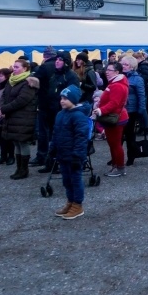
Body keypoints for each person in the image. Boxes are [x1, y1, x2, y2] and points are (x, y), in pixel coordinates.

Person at [49, 85, 91, 220]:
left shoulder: (78, 116)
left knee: (75, 180)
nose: (62, 101)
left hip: (74, 156)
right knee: (66, 180)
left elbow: (81, 137)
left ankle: (77, 205)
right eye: (61, 98)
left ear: (73, 100)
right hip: (63, 154)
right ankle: (70, 201)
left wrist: (77, 156)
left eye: (65, 99)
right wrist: (52, 149)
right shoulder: (60, 114)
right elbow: (55, 133)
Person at [1, 59, 40, 180]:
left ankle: (24, 169)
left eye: (17, 67)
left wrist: (4, 109)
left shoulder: (29, 82)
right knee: (16, 142)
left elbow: (22, 100)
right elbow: (4, 96)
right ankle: (19, 168)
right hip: (12, 116)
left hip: (24, 117)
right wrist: (3, 108)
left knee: (22, 142)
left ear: (25, 68)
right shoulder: (11, 81)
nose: (14, 69)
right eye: (14, 66)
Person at [95, 61, 129, 177]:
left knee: (115, 144)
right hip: (114, 117)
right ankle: (116, 166)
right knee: (113, 143)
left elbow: (114, 103)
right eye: (107, 70)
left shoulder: (117, 85)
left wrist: (101, 110)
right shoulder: (115, 83)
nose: (107, 72)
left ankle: (120, 168)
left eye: (110, 70)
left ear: (117, 72)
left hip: (115, 118)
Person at [120, 55, 148, 166]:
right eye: (122, 64)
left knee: (130, 135)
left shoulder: (137, 79)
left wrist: (141, 111)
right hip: (120, 109)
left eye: (126, 64)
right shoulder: (119, 77)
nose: (123, 66)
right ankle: (117, 157)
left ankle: (131, 157)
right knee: (119, 135)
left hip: (131, 110)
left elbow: (141, 96)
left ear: (132, 66)